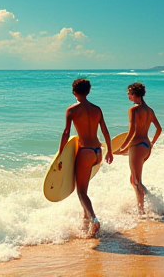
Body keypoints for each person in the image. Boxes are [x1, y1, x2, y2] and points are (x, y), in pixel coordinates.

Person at [58, 78, 113, 237]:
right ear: (88, 91)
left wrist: (60, 155)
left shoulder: (72, 110)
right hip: (97, 151)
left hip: (85, 152)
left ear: (74, 91)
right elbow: (105, 131)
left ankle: (94, 219)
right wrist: (109, 151)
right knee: (85, 190)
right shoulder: (97, 109)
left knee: (81, 192)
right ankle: (86, 225)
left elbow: (66, 133)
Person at [115, 82, 162, 216]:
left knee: (136, 181)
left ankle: (141, 211)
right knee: (133, 179)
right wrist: (152, 143)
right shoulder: (149, 110)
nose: (128, 96)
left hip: (136, 146)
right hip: (146, 146)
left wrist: (122, 148)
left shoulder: (133, 110)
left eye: (129, 93)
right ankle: (152, 202)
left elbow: (131, 132)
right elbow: (159, 129)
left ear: (134, 94)